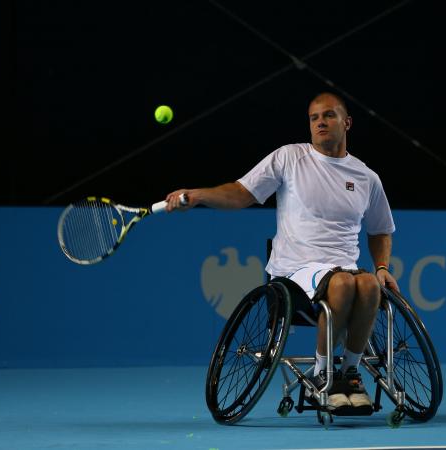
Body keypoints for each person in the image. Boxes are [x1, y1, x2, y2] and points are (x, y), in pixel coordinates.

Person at [164, 92, 399, 414]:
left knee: (370, 283)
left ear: (347, 123)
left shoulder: (366, 177)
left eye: (328, 116)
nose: (320, 123)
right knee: (343, 284)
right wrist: (200, 194)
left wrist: (383, 266)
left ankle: (350, 373)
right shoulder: (289, 158)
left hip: (344, 266)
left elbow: (381, 229)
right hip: (294, 269)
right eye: (314, 118)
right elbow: (241, 193)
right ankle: (322, 376)